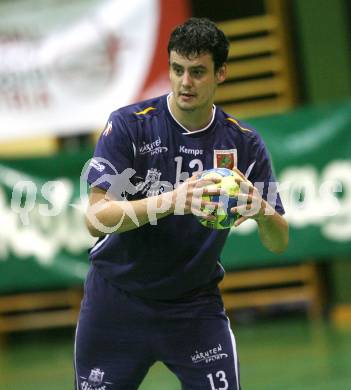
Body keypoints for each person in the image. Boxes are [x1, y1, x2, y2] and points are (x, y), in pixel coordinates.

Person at [74, 17, 288, 390]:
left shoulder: (244, 143)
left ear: (221, 73)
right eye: (177, 69)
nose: (185, 82)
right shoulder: (129, 126)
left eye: (198, 72)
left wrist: (262, 210)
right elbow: (96, 219)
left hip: (194, 307)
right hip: (117, 303)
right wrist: (173, 200)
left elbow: (279, 241)